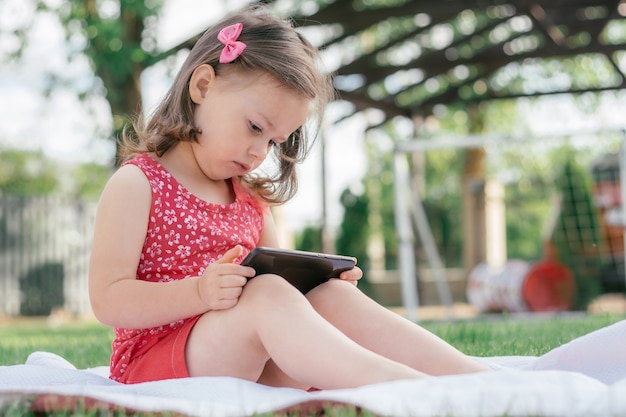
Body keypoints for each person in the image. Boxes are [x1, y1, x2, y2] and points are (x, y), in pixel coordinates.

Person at [88, 4, 490, 390]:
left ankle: (472, 377)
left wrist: (317, 284)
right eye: (253, 126)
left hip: (253, 359)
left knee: (326, 295)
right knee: (266, 293)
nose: (259, 152)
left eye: (273, 141)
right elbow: (107, 300)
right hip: (157, 361)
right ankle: (403, 388)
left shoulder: (249, 200)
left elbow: (283, 291)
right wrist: (198, 293)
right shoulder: (139, 183)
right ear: (203, 86)